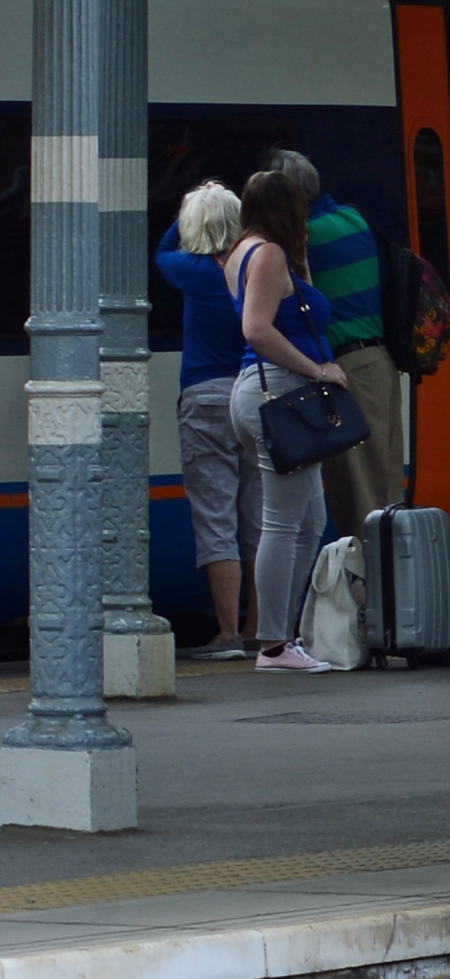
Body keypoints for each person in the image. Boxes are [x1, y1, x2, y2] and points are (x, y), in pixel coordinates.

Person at [228, 170, 352, 673]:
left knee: (310, 521)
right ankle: (275, 645)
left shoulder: (248, 251)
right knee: (282, 523)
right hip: (283, 395)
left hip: (271, 396)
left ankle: (286, 636)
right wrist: (318, 370)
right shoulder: (269, 254)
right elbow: (256, 329)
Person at [270, 151, 399, 531]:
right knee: (383, 486)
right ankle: (388, 580)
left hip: (349, 370)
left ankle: (366, 583)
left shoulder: (306, 239)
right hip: (377, 363)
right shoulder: (353, 218)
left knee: (358, 492)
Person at [157, 183, 258, 661]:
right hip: (257, 395)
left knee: (216, 520)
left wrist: (193, 211)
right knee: (263, 520)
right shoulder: (256, 267)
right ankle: (262, 626)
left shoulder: (192, 270)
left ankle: (227, 633)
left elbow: (162, 249)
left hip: (207, 399)